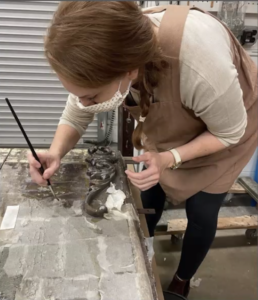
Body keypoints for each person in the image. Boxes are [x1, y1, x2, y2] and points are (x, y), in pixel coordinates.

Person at [28, 2, 258, 298]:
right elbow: (77, 110)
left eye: (91, 97)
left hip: (227, 130)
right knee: (149, 190)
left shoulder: (198, 62)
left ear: (129, 70)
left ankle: (182, 279)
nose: (84, 104)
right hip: (177, 121)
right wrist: (56, 151)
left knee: (201, 209)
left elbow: (229, 131)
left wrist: (170, 157)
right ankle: (141, 250)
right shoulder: (114, 54)